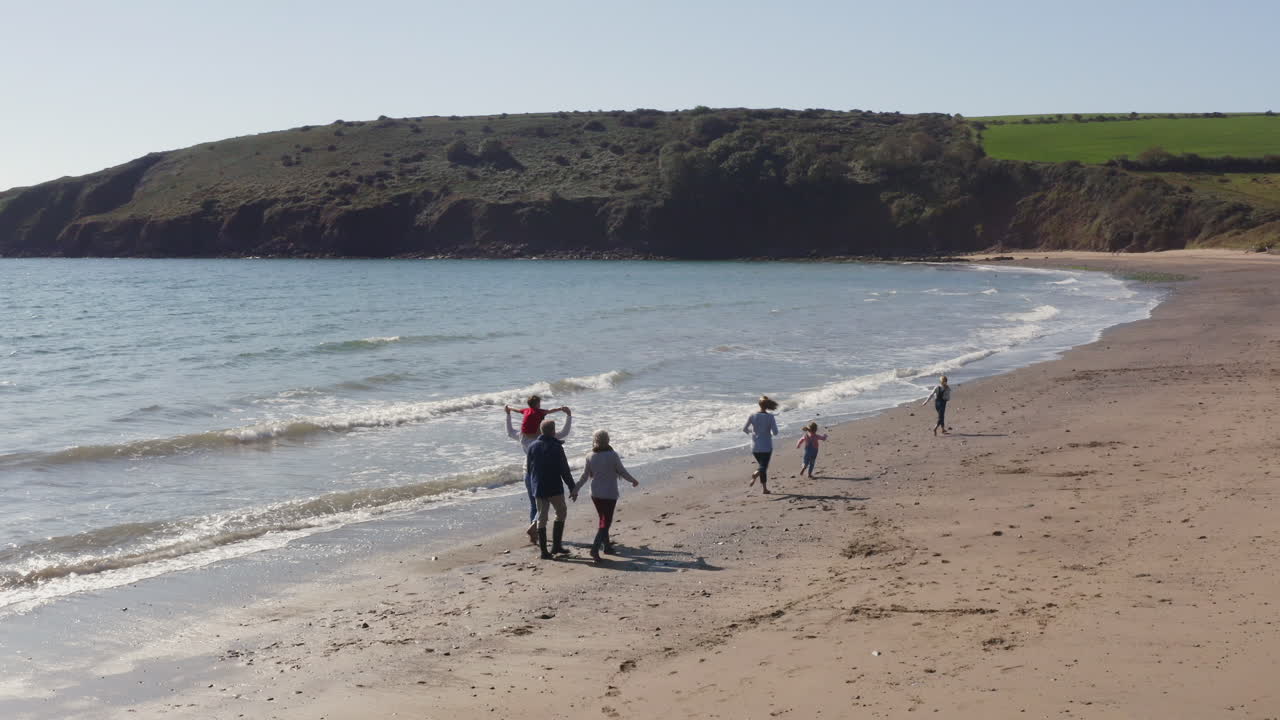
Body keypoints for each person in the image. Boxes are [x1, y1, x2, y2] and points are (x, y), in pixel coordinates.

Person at [505, 405, 571, 543]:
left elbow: (510, 432)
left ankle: (535, 535)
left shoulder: (523, 436)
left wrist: (508, 415)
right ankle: (535, 527)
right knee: (546, 505)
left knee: (535, 505)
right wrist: (568, 416)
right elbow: (564, 432)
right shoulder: (547, 437)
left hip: (528, 473)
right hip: (543, 474)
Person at [573, 430, 639, 562]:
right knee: (605, 522)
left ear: (595, 441)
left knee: (603, 520)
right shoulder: (612, 455)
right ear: (608, 440)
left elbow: (585, 476)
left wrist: (576, 489)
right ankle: (595, 548)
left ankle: (607, 547)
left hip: (596, 494)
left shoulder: (590, 455)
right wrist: (632, 480)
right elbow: (622, 471)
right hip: (609, 493)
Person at [525, 419, 578, 560]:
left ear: (541, 431)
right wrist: (572, 487)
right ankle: (556, 545)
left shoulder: (532, 446)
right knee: (561, 512)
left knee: (542, 517)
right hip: (554, 487)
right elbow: (564, 470)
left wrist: (533, 485)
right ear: (553, 431)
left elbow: (529, 470)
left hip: (539, 487)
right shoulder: (557, 447)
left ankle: (544, 552)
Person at [742, 395, 779, 494]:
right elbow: (775, 432)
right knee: (763, 467)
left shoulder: (752, 415)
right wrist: (768, 433)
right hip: (766, 446)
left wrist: (753, 433)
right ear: (767, 405)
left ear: (759, 404)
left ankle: (764, 489)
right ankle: (756, 474)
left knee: (762, 466)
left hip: (755, 447)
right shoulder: (770, 417)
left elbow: (744, 429)